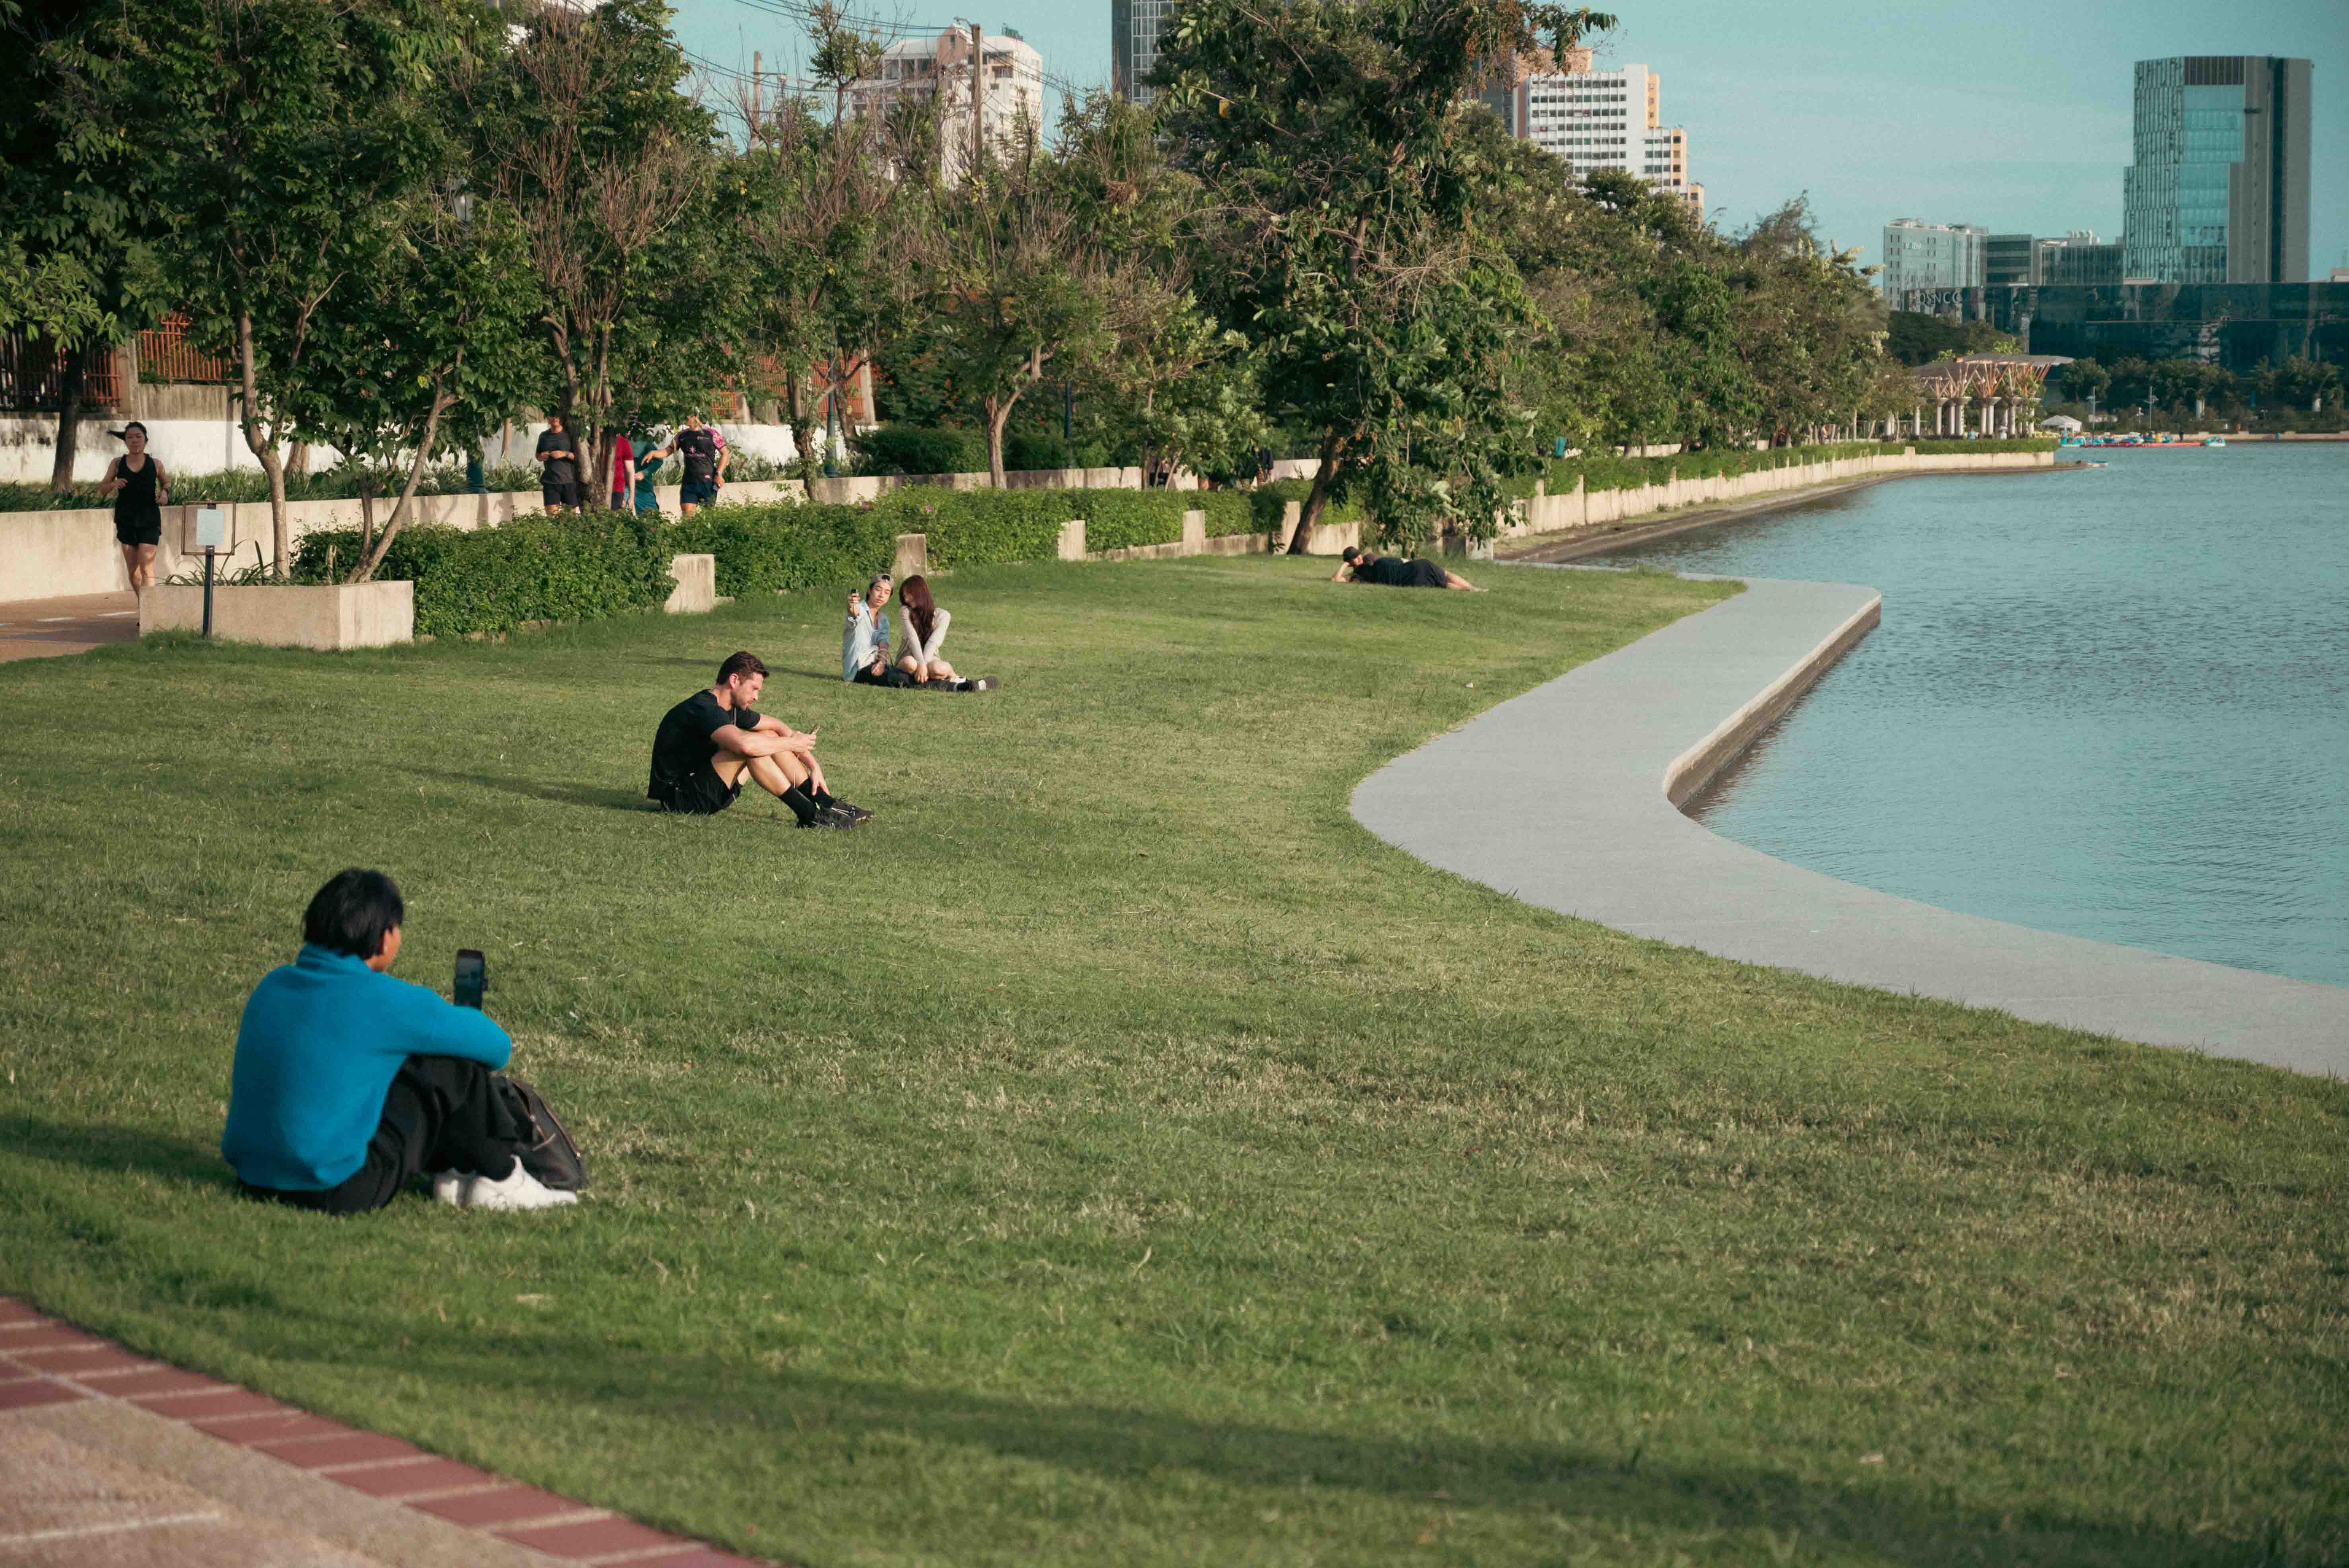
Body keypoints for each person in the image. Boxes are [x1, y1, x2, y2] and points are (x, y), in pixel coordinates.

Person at [222, 869, 577, 1214]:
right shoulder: (383, 998)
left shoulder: (274, 984)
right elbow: (497, 1047)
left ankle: (457, 1175)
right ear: (384, 937)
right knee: (454, 1066)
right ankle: (502, 1179)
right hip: (332, 1189)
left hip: (253, 1178)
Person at [648, 650, 870, 828]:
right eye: (754, 689)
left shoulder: (731, 707)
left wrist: (814, 766)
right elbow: (744, 745)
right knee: (750, 747)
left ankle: (827, 804)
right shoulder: (704, 708)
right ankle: (810, 815)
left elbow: (779, 728)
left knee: (767, 736)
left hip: (708, 787)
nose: (756, 696)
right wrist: (793, 744)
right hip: (680, 799)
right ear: (734, 680)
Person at [98, 422, 169, 599]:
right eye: (130, 437)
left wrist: (165, 492)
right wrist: (113, 484)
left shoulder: (156, 464)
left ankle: (150, 609)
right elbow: (103, 488)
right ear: (125, 441)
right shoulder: (117, 464)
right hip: (126, 519)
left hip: (150, 518)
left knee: (147, 565)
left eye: (138, 437)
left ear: (146, 440)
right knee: (133, 570)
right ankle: (142, 605)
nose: (135, 441)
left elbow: (166, 482)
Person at [894, 575, 996, 691]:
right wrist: (921, 664)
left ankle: (957, 678)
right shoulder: (905, 611)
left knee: (938, 669)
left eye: (910, 594)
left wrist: (925, 664)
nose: (907, 599)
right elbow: (912, 638)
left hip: (931, 660)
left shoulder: (943, 615)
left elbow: (933, 642)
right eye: (905, 596)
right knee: (911, 664)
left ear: (921, 592)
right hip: (908, 658)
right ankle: (950, 683)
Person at [842, 574, 909, 686]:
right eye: (878, 590)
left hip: (875, 663)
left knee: (902, 672)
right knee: (895, 678)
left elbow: (884, 644)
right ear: (869, 590)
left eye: (887, 592)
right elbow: (854, 613)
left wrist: (882, 663)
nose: (882, 595)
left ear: (889, 597)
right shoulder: (860, 609)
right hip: (858, 670)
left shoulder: (883, 620)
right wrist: (851, 606)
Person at [1332, 544, 1481, 591]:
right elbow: (1336, 580)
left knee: (1442, 580)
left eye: (1358, 555)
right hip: (1410, 573)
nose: (1359, 558)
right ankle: (1471, 589)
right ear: (1351, 562)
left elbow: (1398, 561)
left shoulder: (1368, 561)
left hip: (1410, 571)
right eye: (1355, 558)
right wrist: (1346, 564)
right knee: (1442, 580)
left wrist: (1348, 564)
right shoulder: (1357, 574)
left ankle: (1471, 589)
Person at [669, 413, 722, 517]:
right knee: (687, 517)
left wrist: (719, 474)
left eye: (688, 416)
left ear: (696, 417)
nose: (685, 419)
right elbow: (668, 451)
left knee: (709, 518)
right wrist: (653, 454)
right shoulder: (682, 435)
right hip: (689, 482)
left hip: (708, 482)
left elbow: (725, 453)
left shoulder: (712, 434)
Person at [535, 414, 580, 514]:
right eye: (552, 416)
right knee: (553, 517)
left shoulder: (570, 435)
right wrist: (542, 456)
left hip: (569, 481)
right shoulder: (544, 436)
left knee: (570, 518)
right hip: (550, 481)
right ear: (547, 418)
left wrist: (565, 454)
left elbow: (580, 458)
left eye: (557, 416)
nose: (555, 418)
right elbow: (538, 456)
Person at [607, 428, 635, 512]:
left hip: (617, 490)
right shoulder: (595, 441)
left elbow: (630, 471)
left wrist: (631, 497)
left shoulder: (624, 443)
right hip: (598, 487)